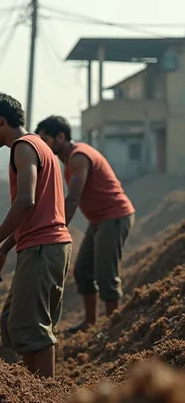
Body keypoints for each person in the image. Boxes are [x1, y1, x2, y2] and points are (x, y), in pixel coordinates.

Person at [0, 93, 72, 378]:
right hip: (45, 245)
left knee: (32, 328)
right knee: (13, 322)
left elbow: (26, 201)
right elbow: (36, 208)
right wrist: (6, 248)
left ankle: (42, 398)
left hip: (44, 248)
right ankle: (33, 388)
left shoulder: (23, 147)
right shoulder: (41, 147)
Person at [37, 115, 135, 331]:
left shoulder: (79, 157)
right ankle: (90, 323)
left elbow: (73, 198)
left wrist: (56, 230)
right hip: (99, 220)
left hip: (115, 216)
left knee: (105, 275)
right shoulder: (68, 160)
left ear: (61, 137)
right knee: (83, 271)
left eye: (45, 139)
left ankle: (115, 329)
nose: (42, 144)